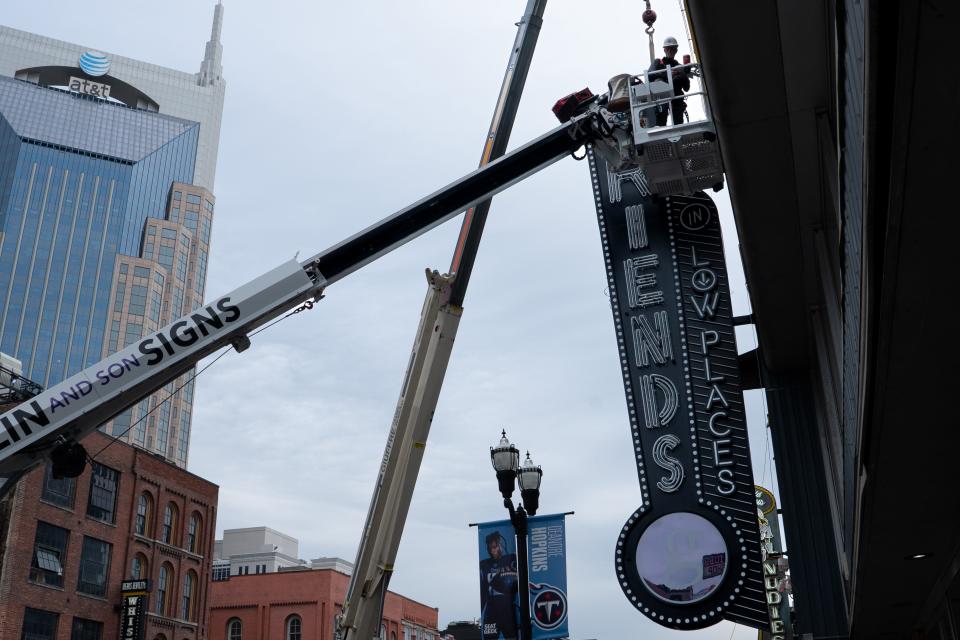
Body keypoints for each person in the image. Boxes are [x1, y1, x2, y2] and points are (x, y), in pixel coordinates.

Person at [479, 531, 519, 640]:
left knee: (511, 636)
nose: (492, 550)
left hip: (507, 606)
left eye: (494, 547)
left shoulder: (511, 560)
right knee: (489, 637)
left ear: (500, 545)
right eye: (489, 548)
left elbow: (517, 585)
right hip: (491, 607)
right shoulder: (484, 564)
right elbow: (483, 589)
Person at [647, 36, 690, 126]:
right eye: (668, 48)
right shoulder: (658, 63)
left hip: (676, 99)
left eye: (673, 48)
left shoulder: (679, 67)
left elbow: (687, 88)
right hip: (661, 98)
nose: (671, 51)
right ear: (665, 50)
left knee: (678, 122)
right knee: (661, 121)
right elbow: (649, 76)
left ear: (676, 50)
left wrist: (683, 74)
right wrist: (668, 74)